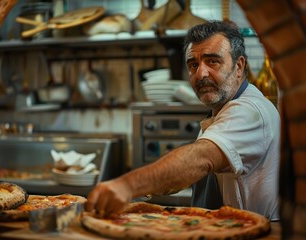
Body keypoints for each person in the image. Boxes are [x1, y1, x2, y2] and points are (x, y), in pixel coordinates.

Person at [85, 20, 280, 221]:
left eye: (213, 61)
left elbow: (200, 159)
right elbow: (192, 172)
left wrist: (127, 186)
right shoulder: (218, 112)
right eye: (193, 65)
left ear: (239, 66)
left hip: (259, 231)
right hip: (227, 226)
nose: (201, 73)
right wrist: (158, 183)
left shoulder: (249, 111)